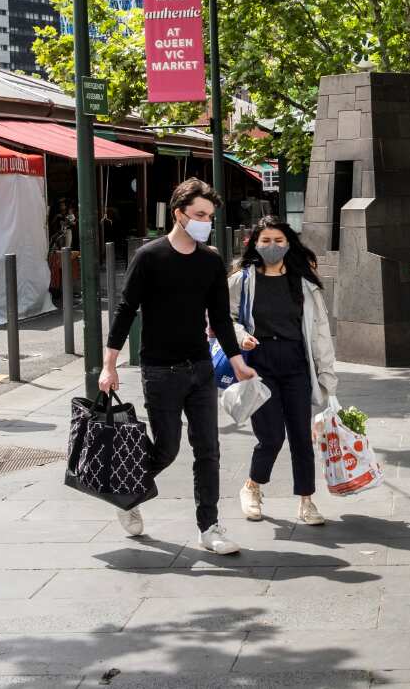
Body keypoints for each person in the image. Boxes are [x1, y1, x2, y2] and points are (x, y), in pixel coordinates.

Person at [102, 178, 255, 553]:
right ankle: (129, 494)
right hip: (159, 370)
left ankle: (210, 527)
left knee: (209, 449)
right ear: (179, 214)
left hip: (200, 367)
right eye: (200, 214)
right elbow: (125, 311)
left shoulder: (211, 261)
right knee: (167, 449)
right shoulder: (149, 257)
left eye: (210, 216)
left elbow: (220, 317)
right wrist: (109, 365)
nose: (206, 221)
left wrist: (237, 362)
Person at [231, 217, 339, 526]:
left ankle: (306, 500)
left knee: (301, 437)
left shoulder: (304, 283)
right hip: (260, 363)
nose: (272, 246)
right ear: (254, 244)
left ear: (289, 243)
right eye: (265, 241)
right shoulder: (244, 280)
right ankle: (252, 486)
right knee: (271, 436)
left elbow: (319, 331)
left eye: (278, 240)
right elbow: (225, 317)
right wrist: (241, 337)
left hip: (295, 364)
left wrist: (326, 373)